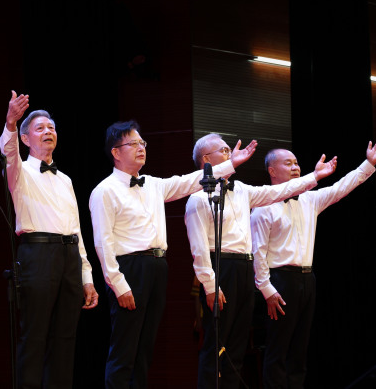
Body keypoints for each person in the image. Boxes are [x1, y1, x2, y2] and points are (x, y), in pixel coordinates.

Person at [89, 121, 257, 389]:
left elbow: (189, 181)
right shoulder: (104, 190)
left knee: (145, 349)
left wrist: (231, 164)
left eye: (142, 143)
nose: (141, 148)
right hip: (129, 269)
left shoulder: (153, 184)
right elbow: (103, 242)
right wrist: (118, 284)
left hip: (157, 266)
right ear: (116, 152)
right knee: (124, 349)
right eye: (133, 143)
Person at [185, 133, 337, 389]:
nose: (229, 153)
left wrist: (314, 177)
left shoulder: (243, 190)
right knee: (216, 345)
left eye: (228, 149)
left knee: (237, 347)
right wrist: (210, 285)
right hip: (221, 267)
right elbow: (198, 248)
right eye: (223, 150)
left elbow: (279, 190)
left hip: (245, 268)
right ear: (206, 159)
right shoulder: (198, 198)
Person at [251, 137, 376, 388]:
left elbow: (340, 188)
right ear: (272, 171)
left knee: (299, 350)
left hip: (307, 279)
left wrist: (368, 164)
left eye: (296, 163)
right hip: (280, 280)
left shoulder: (309, 200)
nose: (295, 167)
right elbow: (257, 252)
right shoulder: (263, 207)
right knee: (278, 349)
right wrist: (267, 289)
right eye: (288, 163)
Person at [0, 91, 99, 388]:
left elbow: (76, 230)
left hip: (69, 257)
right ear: (25, 138)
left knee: (65, 338)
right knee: (34, 336)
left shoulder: (66, 179)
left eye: (52, 127)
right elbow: (8, 151)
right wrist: (10, 122)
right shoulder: (19, 171)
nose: (48, 132)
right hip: (38, 256)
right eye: (40, 128)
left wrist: (86, 277)